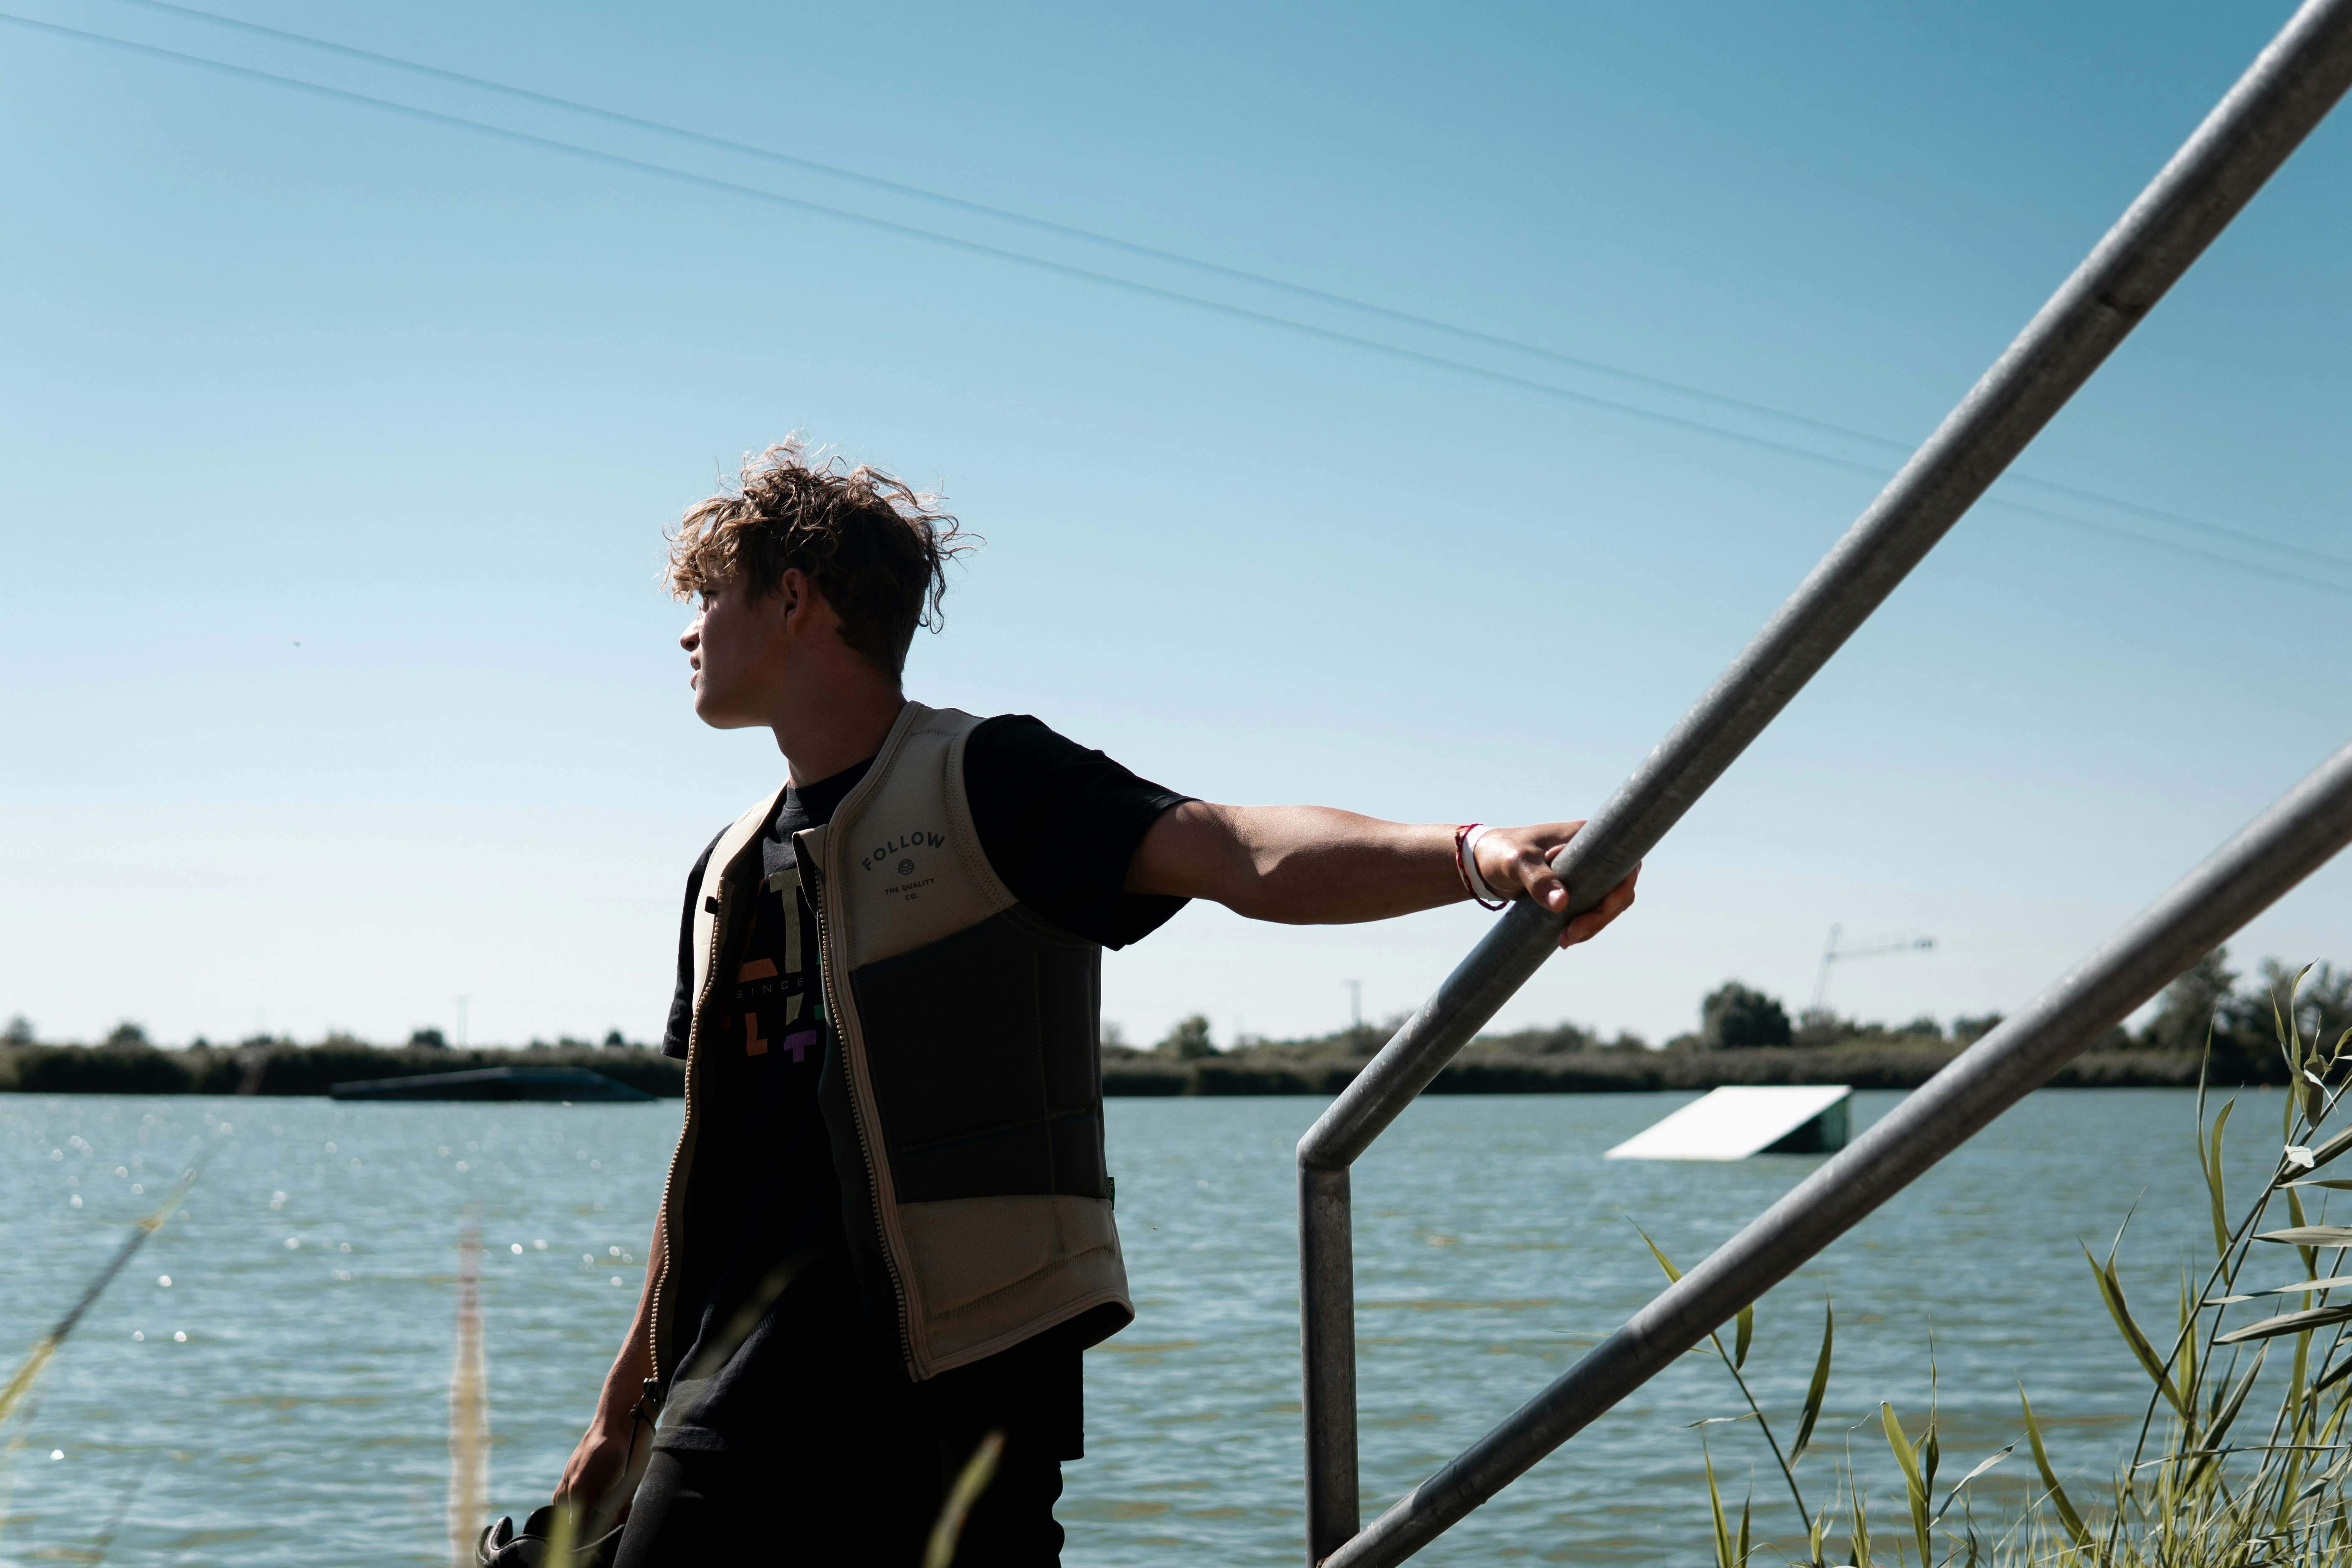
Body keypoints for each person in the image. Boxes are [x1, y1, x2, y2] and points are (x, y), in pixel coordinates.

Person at [553, 440, 1639, 1564]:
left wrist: (1470, 853)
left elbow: (1235, 849)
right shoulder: (725, 871)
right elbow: (706, 1172)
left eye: (709, 597)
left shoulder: (992, 781)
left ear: (793, 597)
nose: (688, 633)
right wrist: (618, 1413)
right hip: (736, 1399)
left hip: (968, 1394)